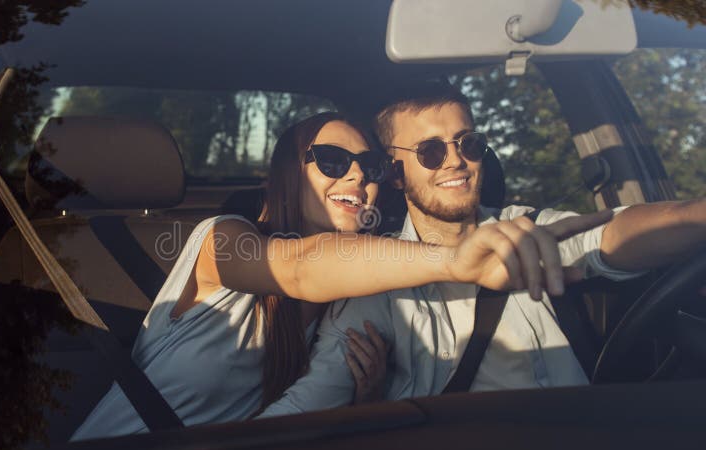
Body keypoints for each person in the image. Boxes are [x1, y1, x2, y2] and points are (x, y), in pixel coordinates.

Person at [71, 112, 609, 439]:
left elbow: (299, 423)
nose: (356, 174)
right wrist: (454, 258)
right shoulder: (223, 241)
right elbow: (300, 268)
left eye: (371, 167)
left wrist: (368, 401)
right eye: (330, 159)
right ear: (286, 174)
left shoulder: (352, 306)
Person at [258, 86, 706, 417]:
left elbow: (618, 233)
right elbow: (315, 397)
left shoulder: (530, 228)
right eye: (430, 151)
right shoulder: (376, 276)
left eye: (468, 143)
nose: (455, 160)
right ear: (395, 174)